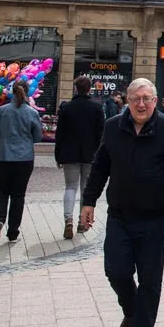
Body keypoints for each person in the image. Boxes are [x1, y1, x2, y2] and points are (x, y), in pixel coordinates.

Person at [82, 78, 164, 327]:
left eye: (147, 98)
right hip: (119, 216)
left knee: (150, 280)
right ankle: (131, 312)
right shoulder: (113, 127)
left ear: (155, 100)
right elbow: (100, 166)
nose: (141, 104)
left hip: (156, 221)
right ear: (127, 100)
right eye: (135, 99)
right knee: (116, 271)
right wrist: (88, 201)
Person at [0, 80, 44, 243]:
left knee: (0, 192)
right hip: (24, 158)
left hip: (2, 156)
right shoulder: (32, 113)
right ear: (27, 92)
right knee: (18, 195)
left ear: (11, 91)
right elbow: (38, 137)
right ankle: (13, 231)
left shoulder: (1, 111)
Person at [55, 75, 106, 239]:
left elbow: (60, 134)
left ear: (75, 88)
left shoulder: (67, 107)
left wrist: (58, 154)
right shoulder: (97, 107)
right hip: (91, 154)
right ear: (89, 88)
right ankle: (82, 222)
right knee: (86, 187)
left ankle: (67, 219)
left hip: (69, 153)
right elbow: (101, 134)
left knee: (70, 187)